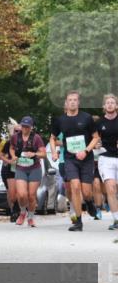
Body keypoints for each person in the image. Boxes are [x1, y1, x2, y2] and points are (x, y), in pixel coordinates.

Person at [49, 91, 101, 232]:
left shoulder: (86, 118)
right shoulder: (60, 120)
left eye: (75, 100)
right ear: (66, 102)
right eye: (70, 100)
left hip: (86, 159)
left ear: (78, 102)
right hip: (70, 159)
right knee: (75, 186)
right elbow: (52, 138)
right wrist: (54, 152)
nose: (72, 102)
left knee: (86, 191)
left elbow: (95, 137)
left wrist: (85, 151)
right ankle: (78, 221)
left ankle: (89, 202)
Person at [9, 116, 46, 227]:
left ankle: (30, 217)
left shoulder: (36, 138)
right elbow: (11, 148)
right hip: (20, 168)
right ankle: (22, 212)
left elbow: (43, 154)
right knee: (21, 195)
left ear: (31, 127)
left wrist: (34, 154)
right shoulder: (15, 137)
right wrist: (13, 156)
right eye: (23, 126)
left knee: (31, 195)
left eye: (27, 127)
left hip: (34, 168)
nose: (24, 128)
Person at [95, 94, 118, 231]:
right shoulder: (99, 123)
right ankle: (116, 219)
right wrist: (96, 143)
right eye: (107, 103)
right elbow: (94, 139)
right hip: (105, 158)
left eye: (112, 102)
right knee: (110, 188)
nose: (110, 105)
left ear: (116, 106)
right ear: (104, 106)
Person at [0, 123, 20, 222]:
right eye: (16, 131)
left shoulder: (29, 141)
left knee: (21, 192)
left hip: (24, 169)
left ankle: (18, 211)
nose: (18, 133)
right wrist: (9, 161)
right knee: (12, 194)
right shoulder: (8, 142)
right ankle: (14, 209)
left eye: (20, 131)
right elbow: (1, 155)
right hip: (10, 169)